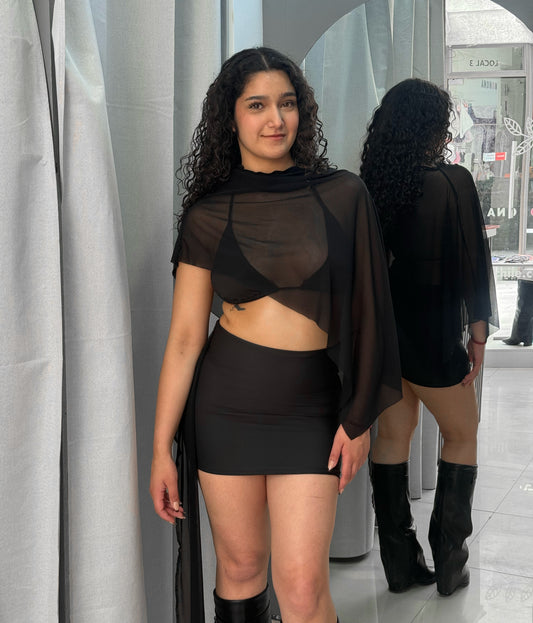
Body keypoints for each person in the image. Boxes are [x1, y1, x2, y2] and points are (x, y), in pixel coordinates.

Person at [149, 47, 402, 623]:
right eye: (257, 105)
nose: (275, 119)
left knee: (303, 586)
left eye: (287, 104)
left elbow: (372, 313)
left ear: (301, 111)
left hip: (312, 409)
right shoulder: (208, 214)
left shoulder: (344, 196)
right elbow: (185, 339)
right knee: (240, 569)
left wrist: (360, 417)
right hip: (225, 407)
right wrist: (161, 449)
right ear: (231, 118)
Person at [360, 78, 498, 597]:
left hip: (386, 337)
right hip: (435, 334)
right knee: (462, 433)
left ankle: (400, 565)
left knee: (392, 437)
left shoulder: (371, 185)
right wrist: (478, 336)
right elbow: (473, 265)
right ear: (434, 128)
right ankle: (449, 560)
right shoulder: (453, 182)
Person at [503, 265, 533, 346]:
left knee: (524, 307)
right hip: (528, 274)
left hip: (528, 275)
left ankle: (518, 337)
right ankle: (526, 338)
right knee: (527, 308)